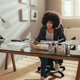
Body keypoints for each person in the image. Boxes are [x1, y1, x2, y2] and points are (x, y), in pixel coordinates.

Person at [34, 11, 66, 80]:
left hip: (54, 47)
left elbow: (63, 38)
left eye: (51, 23)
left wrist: (57, 41)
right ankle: (42, 76)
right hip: (45, 47)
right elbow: (39, 37)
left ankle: (57, 63)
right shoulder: (43, 28)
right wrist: (36, 40)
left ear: (54, 23)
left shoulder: (58, 29)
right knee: (45, 56)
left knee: (51, 53)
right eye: (47, 22)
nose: (48, 24)